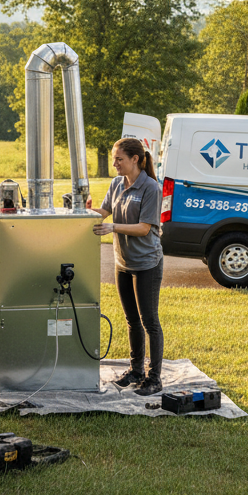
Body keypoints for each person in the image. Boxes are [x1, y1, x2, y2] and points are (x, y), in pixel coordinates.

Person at [92, 137, 165, 395]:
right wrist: (82, 213)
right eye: (114, 159)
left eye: (119, 159)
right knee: (131, 320)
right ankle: (136, 371)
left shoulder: (151, 188)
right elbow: (103, 211)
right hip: (122, 262)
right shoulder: (116, 184)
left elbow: (145, 228)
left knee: (149, 321)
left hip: (146, 264)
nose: (114, 164)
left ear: (135, 159)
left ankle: (154, 378)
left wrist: (112, 226)